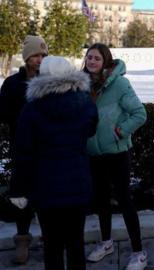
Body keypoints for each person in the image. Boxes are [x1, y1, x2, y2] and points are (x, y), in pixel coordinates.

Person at [10, 56, 98, 270]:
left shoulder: (31, 109)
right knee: (76, 244)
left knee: (52, 246)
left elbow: (23, 153)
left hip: (46, 188)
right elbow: (91, 129)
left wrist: (18, 189)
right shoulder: (85, 102)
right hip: (77, 183)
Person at [83, 43, 148, 270]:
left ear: (106, 62)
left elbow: (140, 114)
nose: (91, 61)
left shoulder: (119, 84)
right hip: (93, 154)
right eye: (89, 57)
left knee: (124, 200)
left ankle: (139, 252)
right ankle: (106, 242)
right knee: (100, 201)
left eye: (96, 58)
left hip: (117, 153)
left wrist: (119, 131)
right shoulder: (82, 86)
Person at [0, 35, 48, 264]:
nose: (39, 60)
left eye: (43, 55)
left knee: (48, 195)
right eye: (36, 55)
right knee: (21, 197)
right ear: (27, 57)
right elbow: (3, 114)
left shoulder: (51, 80)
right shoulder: (11, 84)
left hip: (48, 151)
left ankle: (51, 239)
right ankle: (22, 239)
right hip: (22, 151)